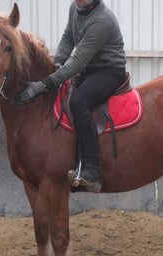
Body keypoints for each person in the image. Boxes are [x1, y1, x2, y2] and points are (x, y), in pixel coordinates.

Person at [14, 0, 127, 193]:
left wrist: (44, 84)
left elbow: (77, 62)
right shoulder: (76, 8)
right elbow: (68, 38)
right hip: (89, 70)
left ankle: (93, 170)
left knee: (78, 102)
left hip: (108, 71)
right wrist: (56, 64)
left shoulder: (102, 21)